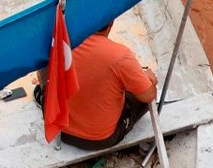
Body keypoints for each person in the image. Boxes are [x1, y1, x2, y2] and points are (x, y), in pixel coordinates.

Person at [35, 22, 157, 150]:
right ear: (111, 23)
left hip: (59, 131)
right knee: (143, 96)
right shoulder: (120, 56)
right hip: (99, 139)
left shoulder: (63, 40)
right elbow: (148, 96)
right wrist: (149, 80)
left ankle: (43, 97)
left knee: (46, 65)